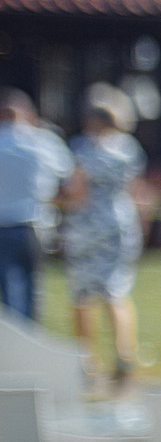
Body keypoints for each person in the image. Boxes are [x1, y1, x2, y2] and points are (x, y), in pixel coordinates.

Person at [61, 83, 147, 386]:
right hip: (121, 223)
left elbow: (77, 193)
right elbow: (138, 192)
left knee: (83, 294)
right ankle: (125, 356)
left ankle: (86, 361)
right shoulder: (129, 149)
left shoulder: (83, 148)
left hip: (87, 226)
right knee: (117, 292)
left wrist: (57, 203)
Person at [0, 87, 70, 324]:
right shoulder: (44, 141)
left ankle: (14, 344)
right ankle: (32, 337)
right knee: (34, 289)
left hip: (3, 224)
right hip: (35, 224)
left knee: (8, 290)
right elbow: (69, 177)